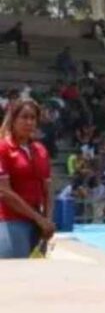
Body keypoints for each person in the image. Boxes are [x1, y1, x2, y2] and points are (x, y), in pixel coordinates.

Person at [0, 99, 54, 258]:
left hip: (37, 225)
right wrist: (39, 219)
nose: (29, 122)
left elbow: (48, 190)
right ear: (13, 119)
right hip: (11, 222)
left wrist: (48, 221)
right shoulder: (3, 149)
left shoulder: (40, 150)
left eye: (33, 118)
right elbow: (5, 192)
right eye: (24, 117)